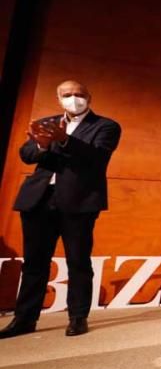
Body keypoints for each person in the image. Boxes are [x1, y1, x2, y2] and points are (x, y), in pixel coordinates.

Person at [0, 80, 121, 339]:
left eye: (79, 94)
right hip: (39, 199)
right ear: (59, 98)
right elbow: (27, 154)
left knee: (77, 261)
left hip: (79, 201)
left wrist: (64, 139)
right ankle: (25, 319)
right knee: (34, 263)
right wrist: (43, 145)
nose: (73, 99)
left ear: (89, 97)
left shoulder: (106, 126)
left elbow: (97, 157)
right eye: (67, 95)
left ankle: (78, 317)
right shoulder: (47, 123)